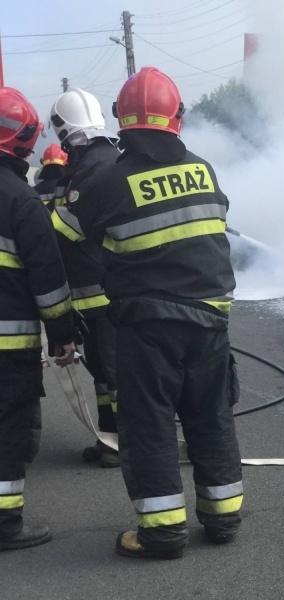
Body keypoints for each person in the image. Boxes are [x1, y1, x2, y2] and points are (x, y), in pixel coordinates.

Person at [70, 67, 243, 559]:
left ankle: (163, 533)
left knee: (149, 426)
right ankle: (223, 519)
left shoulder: (110, 179)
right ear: (178, 119)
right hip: (211, 322)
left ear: (121, 122)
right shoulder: (203, 169)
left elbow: (65, 234)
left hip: (147, 327)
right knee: (211, 419)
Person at [0, 86, 76, 551]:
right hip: (7, 350)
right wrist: (63, 334)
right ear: (24, 141)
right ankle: (5, 526)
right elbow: (48, 281)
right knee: (8, 431)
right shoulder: (19, 201)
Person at [49, 88, 121, 468]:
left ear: (64, 128)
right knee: (103, 370)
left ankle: (121, 441)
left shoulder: (95, 164)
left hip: (102, 290)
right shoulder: (94, 158)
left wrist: (37, 225)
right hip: (93, 290)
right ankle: (110, 437)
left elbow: (74, 226)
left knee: (112, 371)